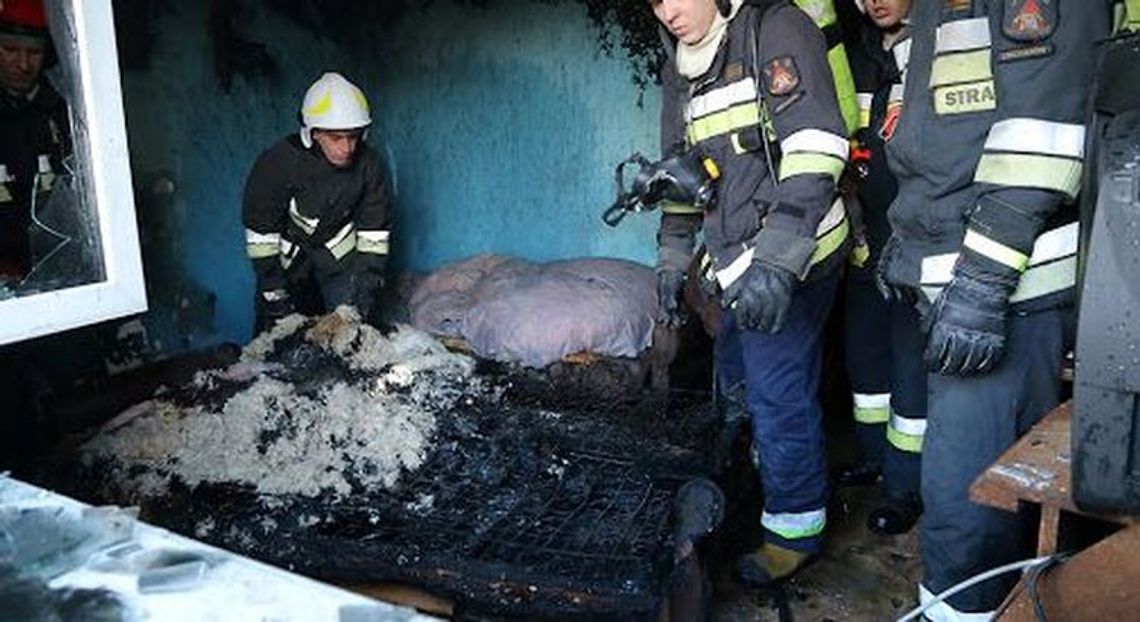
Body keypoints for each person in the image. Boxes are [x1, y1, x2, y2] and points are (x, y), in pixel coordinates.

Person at [877, 1, 1113, 617]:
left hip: (1007, 291)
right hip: (964, 282)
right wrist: (907, 246)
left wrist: (982, 280)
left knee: (967, 508)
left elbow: (1042, 131)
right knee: (968, 494)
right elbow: (943, 144)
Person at [651, 0, 850, 584]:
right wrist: (671, 260)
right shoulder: (679, 67)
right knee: (738, 377)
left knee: (776, 393)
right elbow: (679, 173)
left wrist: (779, 261)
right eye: (656, 1)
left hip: (798, 254)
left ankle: (794, 531)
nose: (667, 11)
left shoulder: (776, 29)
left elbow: (817, 148)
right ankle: (755, 484)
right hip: (737, 262)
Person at [835, 0, 924, 536]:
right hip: (864, 239)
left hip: (913, 243)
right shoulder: (856, 55)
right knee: (864, 357)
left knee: (910, 366)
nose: (876, 0)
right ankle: (872, 458)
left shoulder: (938, 46)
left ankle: (905, 486)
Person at [242, 72, 390, 332]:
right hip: (283, 262)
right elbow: (261, 234)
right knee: (273, 337)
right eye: (336, 138)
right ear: (314, 133)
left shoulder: (370, 165)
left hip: (339, 261)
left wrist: (367, 284)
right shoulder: (277, 162)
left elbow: (374, 233)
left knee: (353, 331)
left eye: (353, 136)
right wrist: (273, 290)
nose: (347, 148)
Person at [0, 0, 69, 282]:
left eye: (34, 52)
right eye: (9, 50)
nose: (24, 64)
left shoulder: (63, 110)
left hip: (60, 268)